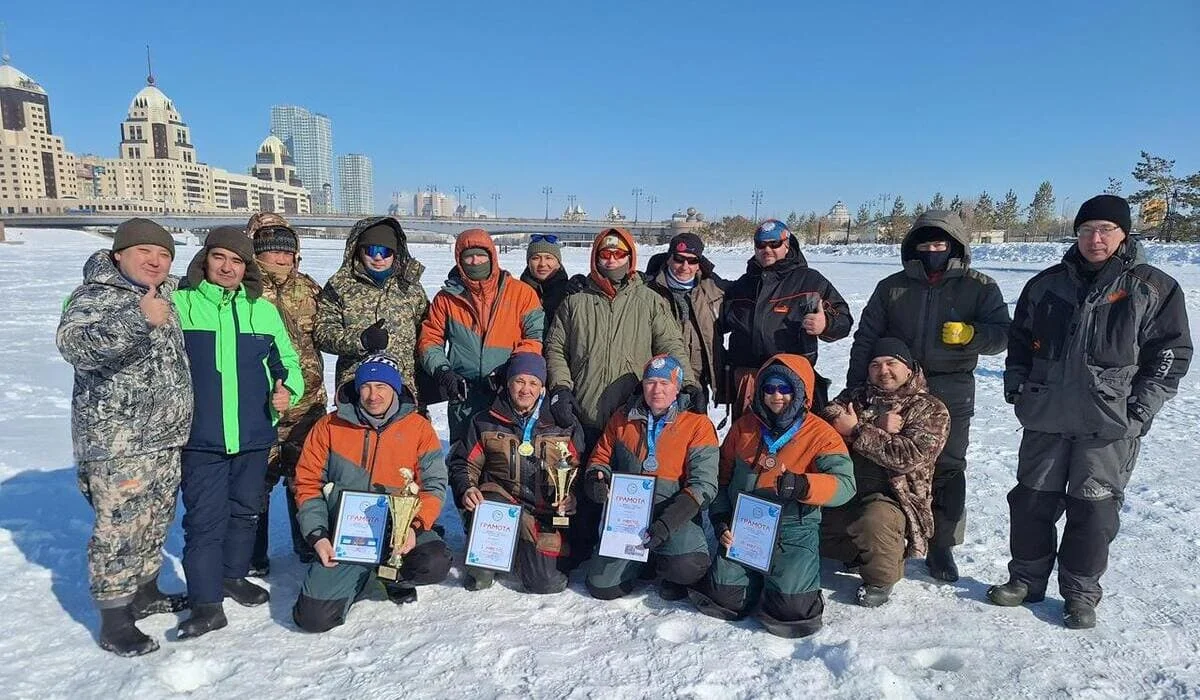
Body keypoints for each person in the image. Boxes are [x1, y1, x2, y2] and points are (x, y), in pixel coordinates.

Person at [988, 195, 1191, 629]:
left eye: (1105, 230)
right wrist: (1017, 386)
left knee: (1093, 512)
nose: (1095, 239)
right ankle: (1025, 579)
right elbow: (1019, 342)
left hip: (1109, 424)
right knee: (1030, 502)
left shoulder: (1152, 287)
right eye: (1086, 230)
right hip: (1046, 416)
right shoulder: (1045, 285)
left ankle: (1080, 595)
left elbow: (1171, 353)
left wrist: (1139, 409)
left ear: (1123, 234)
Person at [846, 210, 1010, 582]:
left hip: (951, 386)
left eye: (940, 244)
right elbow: (867, 338)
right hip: (894, 387)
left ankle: (942, 544)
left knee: (948, 465)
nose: (933, 250)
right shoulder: (892, 287)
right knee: (884, 457)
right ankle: (888, 535)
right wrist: (857, 387)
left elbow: (1003, 334)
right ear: (913, 248)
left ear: (954, 246)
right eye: (925, 244)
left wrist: (973, 334)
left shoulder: (978, 286)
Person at [56, 218, 193, 656]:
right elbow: (74, 346)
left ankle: (145, 590)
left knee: (154, 519)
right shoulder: (94, 297)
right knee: (118, 528)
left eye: (164, 254)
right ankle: (115, 618)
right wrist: (138, 319)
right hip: (118, 442)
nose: (155, 261)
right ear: (118, 255)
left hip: (163, 435)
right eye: (145, 252)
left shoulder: (164, 294)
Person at [172, 226, 304, 639]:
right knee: (204, 520)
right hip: (201, 436)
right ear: (205, 260)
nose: (227, 267)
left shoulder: (260, 310)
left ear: (247, 267)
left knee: (246, 511)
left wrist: (289, 391)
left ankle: (233, 575)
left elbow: (288, 363)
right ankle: (206, 603)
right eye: (219, 258)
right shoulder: (179, 305)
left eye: (237, 261)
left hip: (252, 433)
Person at [690, 354, 854, 638]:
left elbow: (845, 485)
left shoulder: (821, 434)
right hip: (745, 528)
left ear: (800, 391)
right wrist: (721, 521)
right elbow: (722, 478)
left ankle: (787, 580)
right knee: (724, 597)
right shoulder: (743, 428)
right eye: (769, 388)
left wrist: (805, 485)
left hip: (793, 529)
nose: (776, 396)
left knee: (791, 612)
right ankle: (755, 580)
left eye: (785, 389)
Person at [292, 354, 452, 632]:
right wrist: (317, 535)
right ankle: (363, 574)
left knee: (434, 561)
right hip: (345, 535)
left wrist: (414, 526)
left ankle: (391, 575)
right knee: (313, 618)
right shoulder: (329, 427)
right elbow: (307, 483)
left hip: (397, 532)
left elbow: (434, 485)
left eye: (381, 387)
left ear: (395, 390)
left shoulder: (419, 429)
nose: (372, 395)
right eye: (366, 386)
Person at [819, 338, 949, 607]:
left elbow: (906, 457)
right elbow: (828, 415)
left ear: (909, 369)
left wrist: (856, 430)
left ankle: (881, 578)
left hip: (892, 498)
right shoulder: (855, 396)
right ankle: (854, 553)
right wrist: (875, 423)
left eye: (892, 363)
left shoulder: (930, 408)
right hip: (846, 485)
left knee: (874, 520)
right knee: (805, 512)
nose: (883, 370)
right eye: (875, 365)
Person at [545, 228, 702, 447]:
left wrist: (687, 384)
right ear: (595, 257)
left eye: (618, 254)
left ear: (630, 258)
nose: (611, 260)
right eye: (605, 254)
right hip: (583, 413)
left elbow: (670, 345)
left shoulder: (649, 301)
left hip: (633, 415)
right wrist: (560, 387)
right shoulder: (575, 301)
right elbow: (556, 348)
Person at [448, 352, 586, 593]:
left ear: (542, 387)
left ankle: (523, 550)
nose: (526, 390)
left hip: (543, 512)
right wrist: (467, 488)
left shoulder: (563, 424)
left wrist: (572, 497)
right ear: (508, 383)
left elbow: (579, 469)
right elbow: (463, 463)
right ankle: (487, 562)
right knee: (480, 575)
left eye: (533, 383)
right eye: (519, 381)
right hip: (502, 503)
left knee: (545, 583)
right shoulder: (485, 420)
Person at [582, 355, 717, 600]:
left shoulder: (698, 425)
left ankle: (664, 562)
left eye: (665, 384)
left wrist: (665, 525)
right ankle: (640, 562)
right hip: (629, 519)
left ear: (677, 388)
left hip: (673, 514)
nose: (657, 390)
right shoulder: (622, 419)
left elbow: (704, 485)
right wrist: (596, 479)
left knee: (687, 567)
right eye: (650, 382)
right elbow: (600, 458)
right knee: (602, 586)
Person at [247, 213, 328, 574]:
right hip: (258, 407)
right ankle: (252, 555)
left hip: (307, 405)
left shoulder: (309, 289)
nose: (281, 259)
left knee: (305, 480)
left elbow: (327, 333)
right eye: (271, 252)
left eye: (287, 252)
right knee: (255, 484)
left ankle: (309, 545)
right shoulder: (243, 289)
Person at [418, 228, 544, 440]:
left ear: (492, 256)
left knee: (503, 457)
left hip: (505, 393)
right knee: (462, 457)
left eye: (481, 255)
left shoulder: (521, 293)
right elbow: (430, 340)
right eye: (468, 256)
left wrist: (510, 371)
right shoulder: (446, 299)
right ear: (459, 259)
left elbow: (534, 337)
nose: (475, 261)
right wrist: (443, 371)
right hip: (462, 394)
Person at [723, 219, 852, 418]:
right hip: (749, 380)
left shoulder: (809, 281)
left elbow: (843, 318)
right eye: (761, 244)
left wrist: (826, 323)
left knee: (793, 442)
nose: (767, 249)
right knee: (746, 442)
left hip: (791, 379)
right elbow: (719, 320)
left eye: (774, 244)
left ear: (787, 244)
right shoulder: (743, 285)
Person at [314, 216, 428, 393]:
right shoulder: (340, 286)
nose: (378, 257)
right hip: (357, 386)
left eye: (385, 252)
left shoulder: (411, 287)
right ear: (358, 250)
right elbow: (322, 333)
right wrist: (361, 340)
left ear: (395, 254)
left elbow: (428, 331)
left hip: (405, 386)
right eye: (371, 250)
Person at [644, 232, 727, 411]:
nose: (685, 266)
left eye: (692, 261)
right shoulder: (647, 290)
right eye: (679, 259)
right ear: (668, 259)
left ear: (699, 264)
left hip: (697, 385)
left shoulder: (714, 290)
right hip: (658, 385)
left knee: (694, 435)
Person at [520, 234, 573, 326]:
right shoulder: (517, 292)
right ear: (528, 263)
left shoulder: (570, 292)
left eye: (549, 258)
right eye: (535, 258)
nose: (542, 264)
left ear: (558, 263)